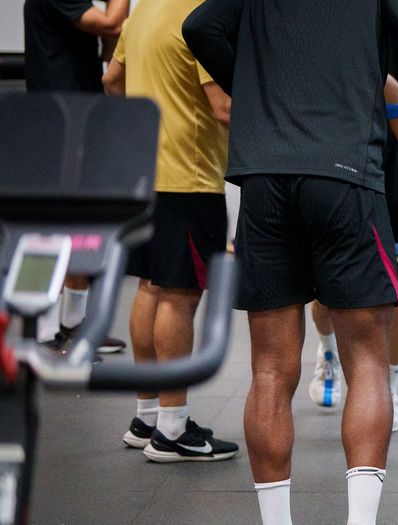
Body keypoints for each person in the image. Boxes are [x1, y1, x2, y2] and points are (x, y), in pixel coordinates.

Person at [183, 0, 398, 523]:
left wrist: (258, 88)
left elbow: (200, 25)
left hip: (264, 176)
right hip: (345, 171)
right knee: (366, 360)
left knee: (269, 370)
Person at [101, 0, 238, 462]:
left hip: (145, 173)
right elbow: (221, 107)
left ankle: (147, 416)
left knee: (150, 289)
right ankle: (174, 430)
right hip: (190, 177)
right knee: (179, 296)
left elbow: (111, 81)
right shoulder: (201, 14)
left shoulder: (144, 9)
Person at [308, 75, 398, 435]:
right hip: (334, 192)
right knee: (325, 300)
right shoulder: (311, 75)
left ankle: (389, 391)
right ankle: (328, 354)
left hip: (392, 194)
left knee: (397, 300)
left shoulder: (383, 83)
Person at [23, 0, 130, 355]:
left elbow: (110, 46)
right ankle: (40, 328)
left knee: (83, 224)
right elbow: (112, 22)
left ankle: (74, 325)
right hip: (59, 119)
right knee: (53, 226)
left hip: (80, 113)